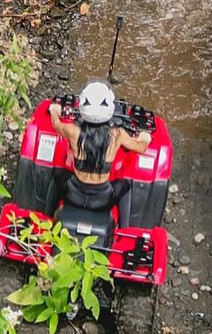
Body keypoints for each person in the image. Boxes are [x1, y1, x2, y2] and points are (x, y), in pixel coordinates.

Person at [48, 80, 152, 226]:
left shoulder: (73, 131)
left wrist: (54, 111)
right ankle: (124, 228)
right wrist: (144, 138)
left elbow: (56, 124)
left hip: (73, 195)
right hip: (102, 199)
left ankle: (48, 215)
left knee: (57, 174)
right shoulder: (117, 135)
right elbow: (141, 148)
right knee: (125, 185)